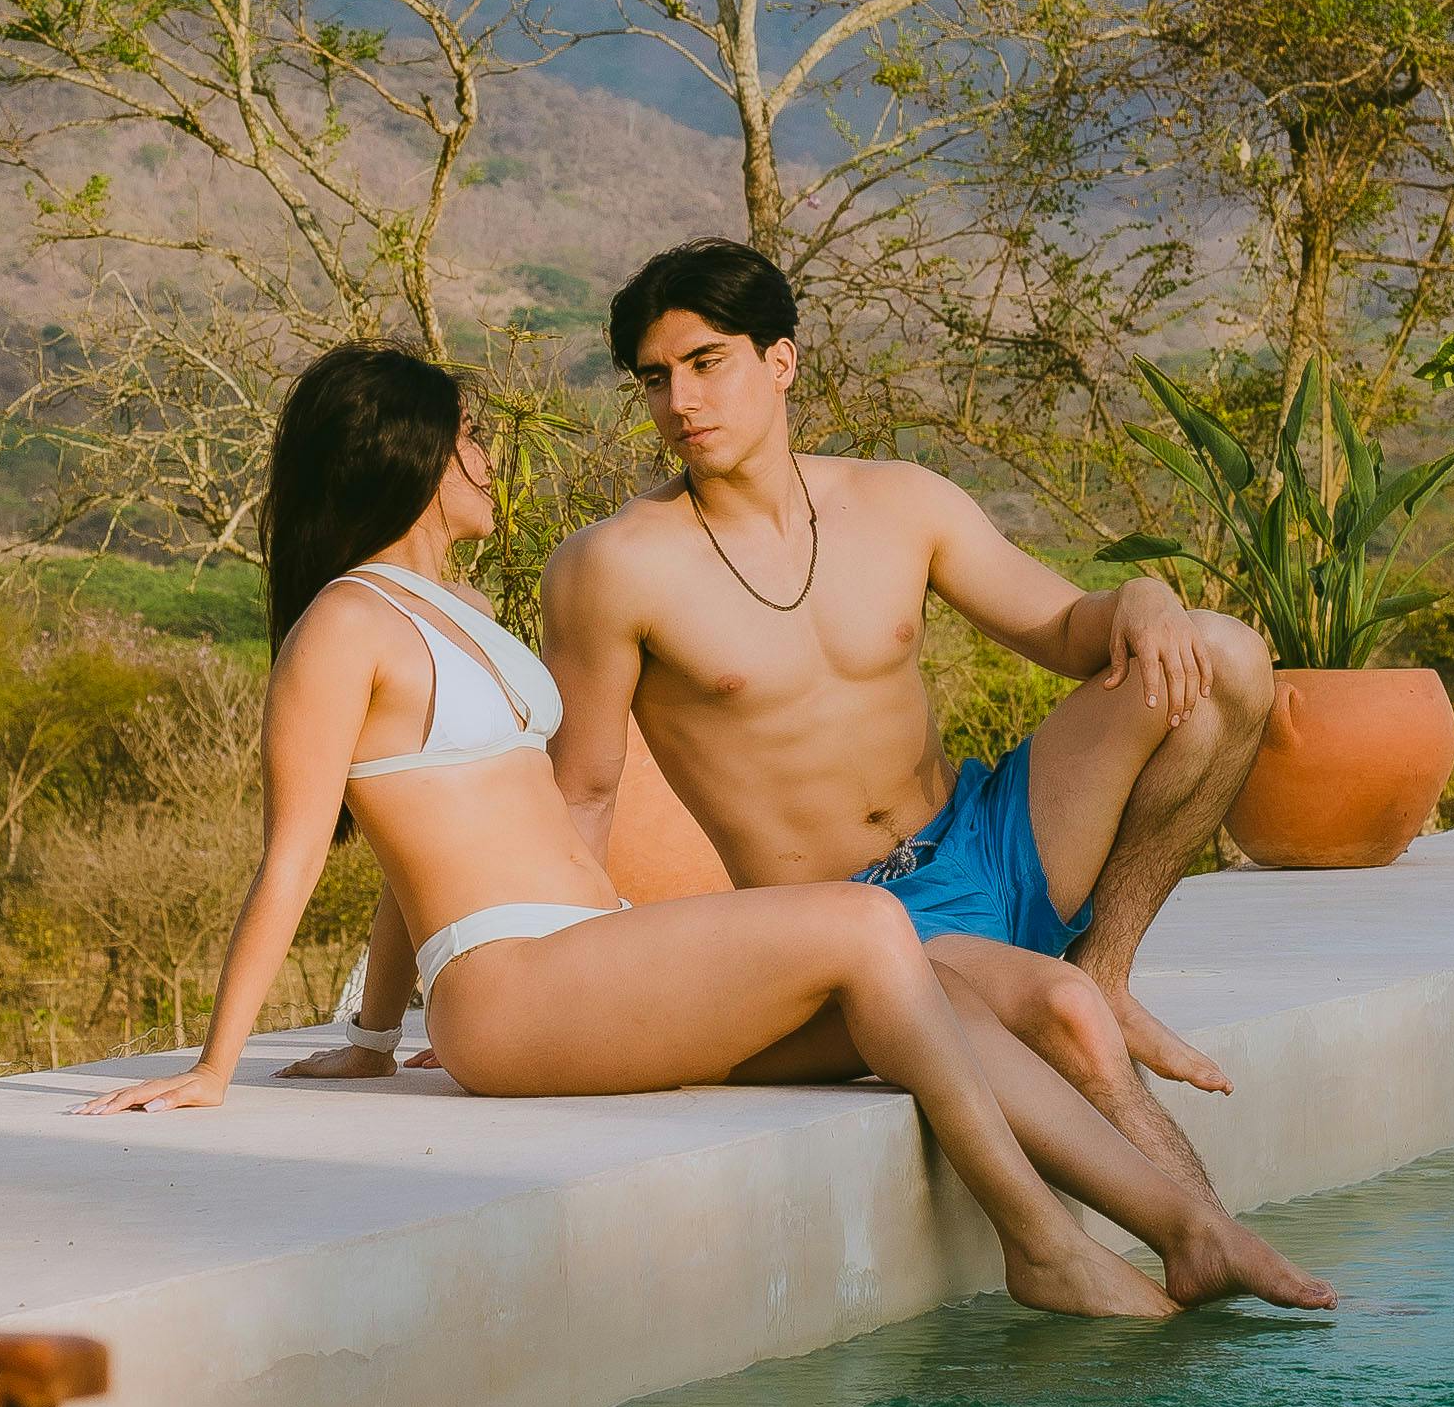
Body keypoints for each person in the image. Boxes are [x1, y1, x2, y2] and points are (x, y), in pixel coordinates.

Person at [91, 342, 1328, 1320]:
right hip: (512, 983)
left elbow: (433, 837)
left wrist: (369, 1033)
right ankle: (1041, 1241)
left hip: (587, 956)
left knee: (950, 982)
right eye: (469, 433)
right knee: (864, 920)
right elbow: (300, 847)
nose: (484, 454)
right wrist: (216, 1063)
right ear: (414, 453)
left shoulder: (452, 606)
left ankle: (1187, 1229)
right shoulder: (342, 627)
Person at [543, 239, 1276, 1161]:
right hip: (857, 929)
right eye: (656, 379)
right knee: (1068, 1032)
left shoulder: (898, 502)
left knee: (1229, 658)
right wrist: (547, 989)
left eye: (706, 362)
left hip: (991, 841)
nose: (680, 402)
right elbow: (584, 792)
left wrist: (1143, 597)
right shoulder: (612, 567)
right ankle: (1207, 1253)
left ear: (781, 359)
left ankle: (1109, 969)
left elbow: (1060, 629)